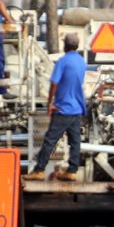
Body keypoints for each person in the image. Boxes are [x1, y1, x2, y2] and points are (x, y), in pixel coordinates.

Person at [22, 33, 87, 182]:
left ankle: (39, 171)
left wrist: (50, 102)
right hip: (77, 109)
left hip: (62, 109)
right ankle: (72, 171)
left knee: (50, 140)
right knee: (75, 142)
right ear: (76, 46)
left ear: (65, 45)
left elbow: (54, 83)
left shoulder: (62, 62)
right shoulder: (82, 62)